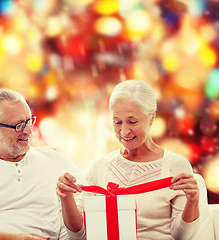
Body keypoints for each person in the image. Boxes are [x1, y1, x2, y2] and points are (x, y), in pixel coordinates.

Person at [56, 80, 213, 239]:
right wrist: (66, 198)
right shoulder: (100, 167)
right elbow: (80, 236)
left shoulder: (175, 166)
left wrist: (192, 201)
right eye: (117, 122)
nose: (124, 131)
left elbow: (182, 236)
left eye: (132, 122)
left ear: (152, 117)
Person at [0, 89, 83, 240]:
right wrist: (15, 238)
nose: (29, 131)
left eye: (29, 121)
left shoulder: (51, 159)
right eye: (18, 125)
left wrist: (67, 196)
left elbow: (92, 200)